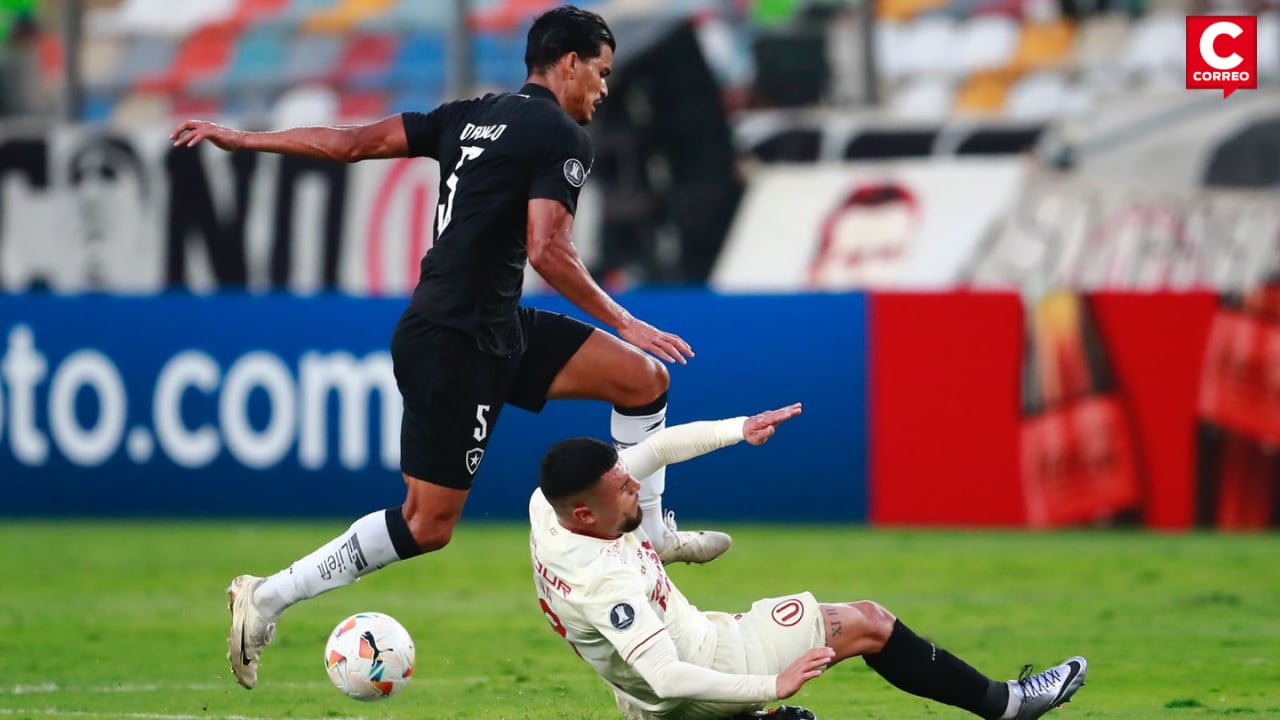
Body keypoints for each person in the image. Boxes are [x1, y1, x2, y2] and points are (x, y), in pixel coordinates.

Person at [170, 6, 731, 690]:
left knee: (641, 381)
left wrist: (247, 139)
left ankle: (649, 536)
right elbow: (548, 250)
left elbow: (351, 143)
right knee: (426, 524)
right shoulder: (559, 136)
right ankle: (266, 596)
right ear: (568, 62)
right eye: (602, 73)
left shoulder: (467, 115)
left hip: (493, 324)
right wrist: (624, 317)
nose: (605, 91)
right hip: (454, 341)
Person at [529, 403, 1088, 720]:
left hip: (659, 676)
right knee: (869, 621)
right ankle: (1007, 704)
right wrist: (774, 683)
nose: (636, 490)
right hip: (701, 673)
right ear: (583, 515)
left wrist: (736, 431)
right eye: (624, 492)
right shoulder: (604, 582)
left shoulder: (548, 505)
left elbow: (656, 450)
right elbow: (668, 676)